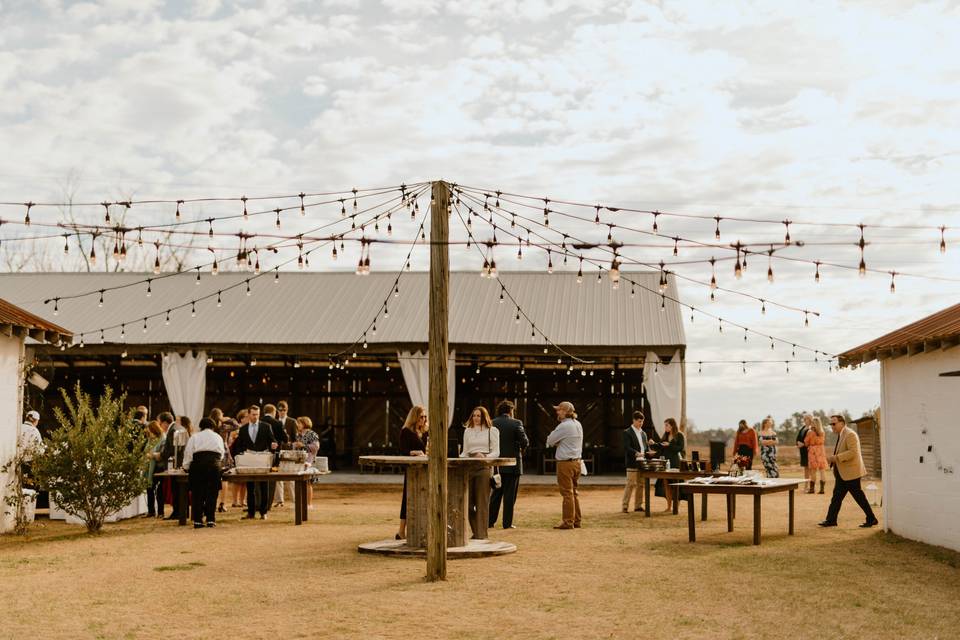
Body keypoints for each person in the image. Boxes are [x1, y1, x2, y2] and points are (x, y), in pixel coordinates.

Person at [819, 416, 878, 528]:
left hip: (851, 473)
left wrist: (835, 458)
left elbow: (853, 452)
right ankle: (831, 520)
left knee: (858, 497)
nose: (832, 426)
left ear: (842, 423)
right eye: (831, 424)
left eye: (834, 424)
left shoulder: (850, 434)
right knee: (837, 497)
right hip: (843, 473)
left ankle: (871, 518)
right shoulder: (842, 434)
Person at [231, 405, 278, 520]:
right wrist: (238, 457)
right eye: (253, 414)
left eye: (257, 414)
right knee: (250, 486)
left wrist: (274, 445)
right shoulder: (243, 429)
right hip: (249, 458)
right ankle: (251, 513)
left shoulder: (266, 426)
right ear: (248, 414)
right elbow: (239, 445)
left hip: (263, 458)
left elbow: (273, 441)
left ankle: (263, 512)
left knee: (264, 485)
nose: (256, 417)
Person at [460, 406, 500, 539]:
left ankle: (482, 535)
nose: (476, 418)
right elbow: (465, 451)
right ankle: (476, 532)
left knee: (482, 502)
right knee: (468, 503)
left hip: (484, 466)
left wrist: (485, 456)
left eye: (479, 416)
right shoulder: (467, 431)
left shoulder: (492, 431)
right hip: (469, 466)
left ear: (484, 417)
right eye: (474, 415)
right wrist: (461, 459)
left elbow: (496, 451)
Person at [489, 400, 528, 530]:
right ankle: (507, 523)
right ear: (511, 411)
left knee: (496, 494)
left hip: (497, 464)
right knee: (509, 496)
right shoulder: (517, 423)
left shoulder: (492, 423)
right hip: (513, 465)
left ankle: (490, 521)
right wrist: (520, 448)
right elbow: (525, 441)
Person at [545, 401, 583, 530]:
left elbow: (550, 441)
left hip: (565, 463)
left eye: (559, 410)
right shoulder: (577, 424)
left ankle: (568, 522)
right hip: (577, 462)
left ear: (566, 412)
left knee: (567, 493)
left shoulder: (563, 426)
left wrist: (558, 442)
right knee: (574, 493)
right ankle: (576, 520)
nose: (557, 412)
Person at [183, 417, 226, 528]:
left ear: (201, 426)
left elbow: (188, 453)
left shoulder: (195, 437)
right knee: (212, 493)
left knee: (197, 493)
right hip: (214, 465)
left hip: (198, 465)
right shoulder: (218, 437)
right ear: (213, 426)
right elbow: (221, 454)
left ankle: (198, 520)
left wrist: (186, 467)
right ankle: (211, 519)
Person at [397, 405, 428, 540]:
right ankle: (401, 531)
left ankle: (420, 530)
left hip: (424, 469)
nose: (424, 419)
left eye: (425, 417)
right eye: (421, 416)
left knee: (423, 499)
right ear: (415, 417)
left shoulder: (424, 432)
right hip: (411, 470)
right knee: (407, 499)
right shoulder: (406, 432)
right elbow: (402, 451)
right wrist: (412, 453)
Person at [652, 418, 685, 512]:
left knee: (676, 485)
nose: (665, 427)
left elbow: (680, 448)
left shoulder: (679, 435)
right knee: (666, 484)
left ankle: (676, 506)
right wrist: (653, 444)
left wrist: (669, 445)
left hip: (675, 462)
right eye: (665, 425)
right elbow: (661, 445)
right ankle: (669, 506)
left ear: (672, 426)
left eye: (666, 425)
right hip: (665, 462)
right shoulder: (665, 435)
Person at [621, 410, 648, 513]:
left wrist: (648, 452)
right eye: (639, 421)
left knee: (641, 484)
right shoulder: (627, 432)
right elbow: (626, 447)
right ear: (634, 420)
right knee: (630, 484)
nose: (641, 423)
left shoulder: (643, 433)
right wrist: (636, 453)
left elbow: (644, 448)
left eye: (642, 421)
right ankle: (624, 506)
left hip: (642, 462)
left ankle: (638, 506)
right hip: (632, 462)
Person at [261, 404, 288, 507]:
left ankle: (259, 502)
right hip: (274, 457)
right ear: (274, 412)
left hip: (260, 455)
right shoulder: (278, 423)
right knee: (273, 477)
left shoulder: (259, 422)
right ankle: (268, 503)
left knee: (260, 478)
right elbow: (286, 439)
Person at [294, 416, 320, 508]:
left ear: (305, 424)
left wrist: (303, 445)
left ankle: (309, 504)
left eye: (299, 423)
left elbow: (316, 447)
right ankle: (300, 504)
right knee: (299, 483)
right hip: (299, 461)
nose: (297, 425)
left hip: (309, 461)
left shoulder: (312, 434)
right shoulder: (298, 434)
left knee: (308, 482)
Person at [276, 401, 299, 506]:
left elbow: (295, 438)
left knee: (290, 477)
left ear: (287, 410)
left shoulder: (292, 421)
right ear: (277, 410)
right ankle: (280, 500)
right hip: (277, 452)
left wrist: (292, 447)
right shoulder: (275, 421)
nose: (282, 412)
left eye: (284, 410)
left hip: (289, 452)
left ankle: (294, 500)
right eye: (280, 410)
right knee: (277, 477)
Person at [17, 410, 44, 488]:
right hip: (29, 463)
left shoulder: (19, 428)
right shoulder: (34, 431)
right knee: (30, 486)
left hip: (17, 461)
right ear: (36, 421)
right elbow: (40, 450)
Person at [144, 420, 164, 517]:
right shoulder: (150, 440)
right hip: (149, 468)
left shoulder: (162, 439)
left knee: (159, 490)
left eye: (150, 432)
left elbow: (162, 454)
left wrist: (152, 455)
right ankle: (151, 511)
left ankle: (161, 512)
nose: (149, 434)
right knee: (149, 489)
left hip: (158, 467)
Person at [805, 417, 829, 494]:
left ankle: (812, 489)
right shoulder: (822, 432)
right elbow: (822, 441)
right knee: (822, 470)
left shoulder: (810, 432)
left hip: (812, 451)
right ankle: (822, 489)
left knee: (813, 471)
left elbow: (806, 442)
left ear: (813, 424)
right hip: (821, 450)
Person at [797, 414, 812, 490]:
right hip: (802, 451)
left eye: (806, 419)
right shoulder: (803, 428)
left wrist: (803, 444)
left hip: (808, 450)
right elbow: (798, 437)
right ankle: (806, 485)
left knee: (810, 469)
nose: (805, 420)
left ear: (810, 419)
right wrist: (798, 443)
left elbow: (811, 440)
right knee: (806, 469)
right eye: (804, 419)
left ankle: (810, 486)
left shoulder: (811, 428)